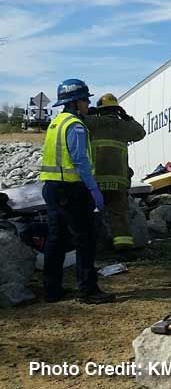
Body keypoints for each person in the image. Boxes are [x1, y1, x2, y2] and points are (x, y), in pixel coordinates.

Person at [39, 79, 115, 304]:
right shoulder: (75, 125)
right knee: (85, 239)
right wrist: (93, 188)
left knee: (56, 239)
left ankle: (52, 289)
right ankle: (88, 290)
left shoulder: (56, 123)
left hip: (51, 188)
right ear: (75, 102)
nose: (88, 102)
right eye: (85, 98)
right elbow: (80, 160)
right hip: (71, 190)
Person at [84, 94, 147, 255]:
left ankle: (91, 247)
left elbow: (77, 121)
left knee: (88, 213)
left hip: (95, 180)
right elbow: (140, 132)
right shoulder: (123, 126)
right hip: (119, 180)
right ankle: (123, 246)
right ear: (117, 110)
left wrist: (88, 113)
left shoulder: (93, 122)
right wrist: (127, 117)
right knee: (119, 214)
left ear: (100, 110)